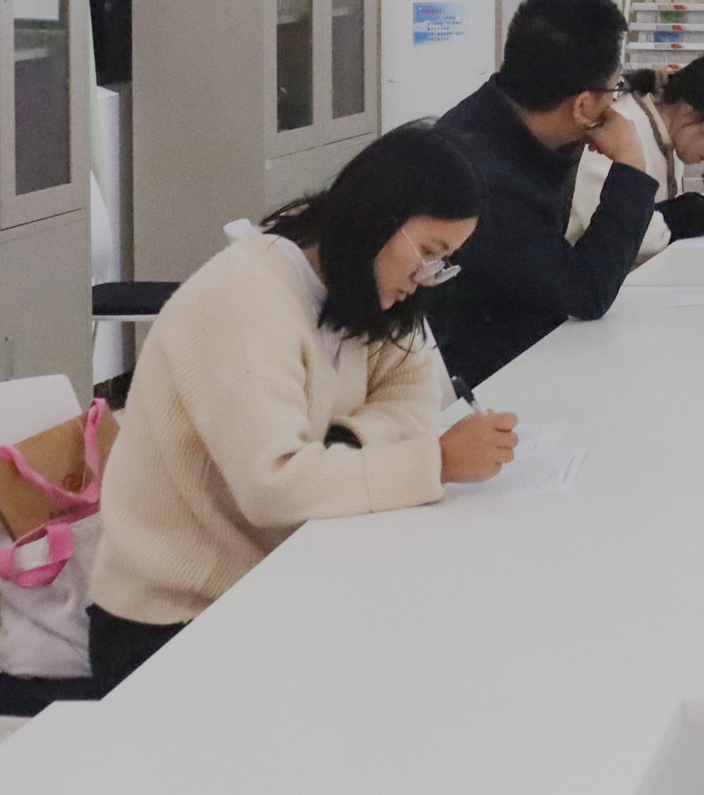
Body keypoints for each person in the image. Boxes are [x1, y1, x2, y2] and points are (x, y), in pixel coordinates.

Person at [87, 125, 518, 692]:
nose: (426, 278)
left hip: (274, 576)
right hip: (176, 618)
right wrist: (433, 463)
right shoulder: (247, 297)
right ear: (378, 217)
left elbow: (413, 397)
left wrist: (341, 450)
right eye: (429, 253)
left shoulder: (363, 285)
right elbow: (275, 487)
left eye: (444, 261)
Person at [431, 0, 659, 388]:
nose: (615, 102)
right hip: (484, 382)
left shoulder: (502, 114)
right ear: (583, 105)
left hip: (525, 350)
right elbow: (587, 292)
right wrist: (631, 167)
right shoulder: (486, 178)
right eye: (615, 89)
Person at [568, 53, 704, 261]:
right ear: (691, 109)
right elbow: (619, 233)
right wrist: (694, 215)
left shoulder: (667, 137)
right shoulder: (622, 128)